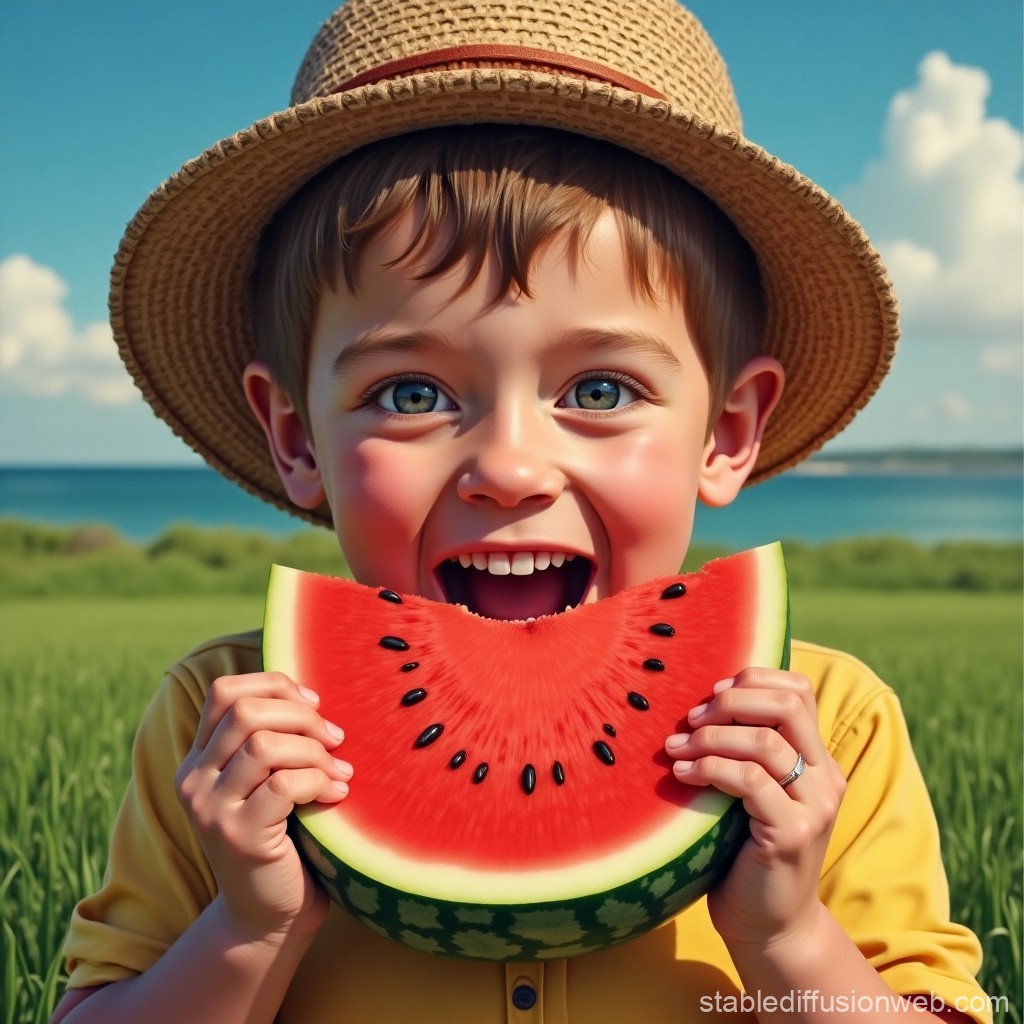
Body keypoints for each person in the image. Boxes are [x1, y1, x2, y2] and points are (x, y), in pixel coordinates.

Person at [52, 1, 991, 1021]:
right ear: (293, 435)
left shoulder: (821, 730)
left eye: (598, 392)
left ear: (725, 431)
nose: (506, 467)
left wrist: (787, 934)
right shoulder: (223, 726)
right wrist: (244, 926)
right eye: (412, 394)